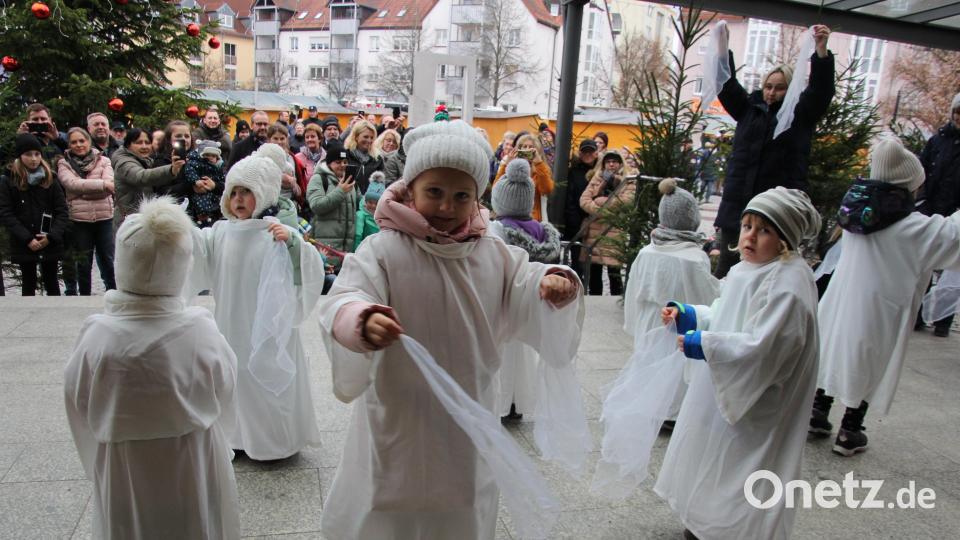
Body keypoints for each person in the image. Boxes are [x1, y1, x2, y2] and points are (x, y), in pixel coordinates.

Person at [317, 119, 582, 540]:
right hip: (400, 406)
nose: (446, 207)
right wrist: (362, 319)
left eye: (461, 196)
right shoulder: (385, 249)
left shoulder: (493, 252)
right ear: (410, 189)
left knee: (463, 497)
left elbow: (523, 283)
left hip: (470, 405)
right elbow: (345, 296)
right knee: (392, 494)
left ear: (477, 198)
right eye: (434, 193)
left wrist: (551, 283)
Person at [64, 197, 240, 539]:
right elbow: (225, 388)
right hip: (192, 458)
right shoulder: (199, 330)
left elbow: (77, 400)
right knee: (194, 524)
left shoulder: (98, 335)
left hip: (123, 465)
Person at [657, 187, 821, 540]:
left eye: (764, 230)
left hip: (759, 396)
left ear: (785, 240)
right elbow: (725, 314)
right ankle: (704, 519)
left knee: (742, 462)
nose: (750, 236)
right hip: (727, 382)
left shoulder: (789, 283)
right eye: (747, 226)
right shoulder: (749, 269)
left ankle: (732, 529)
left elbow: (767, 346)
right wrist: (690, 315)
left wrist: (706, 344)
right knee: (714, 452)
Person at [814, 137, 960, 456]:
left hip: (841, 304)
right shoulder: (910, 227)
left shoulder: (856, 214)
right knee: (870, 361)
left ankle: (818, 409)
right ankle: (849, 431)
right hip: (882, 309)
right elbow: (952, 238)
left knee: (834, 349)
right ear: (907, 186)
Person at [188, 155, 325, 461]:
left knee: (265, 376)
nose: (239, 199)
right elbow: (197, 251)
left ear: (262, 194)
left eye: (247, 192)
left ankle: (274, 441)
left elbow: (307, 268)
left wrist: (291, 243)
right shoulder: (220, 232)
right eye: (234, 192)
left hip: (267, 325)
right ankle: (236, 435)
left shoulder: (273, 231)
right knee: (235, 375)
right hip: (231, 323)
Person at [712, 24, 834, 279]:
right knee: (726, 274)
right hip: (738, 213)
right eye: (768, 86)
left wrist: (821, 53)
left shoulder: (799, 115)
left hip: (775, 217)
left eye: (779, 87)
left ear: (790, 88)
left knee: (767, 278)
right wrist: (723, 49)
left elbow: (820, 92)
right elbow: (726, 85)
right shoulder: (748, 110)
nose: (771, 92)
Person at [489, 158, 563, 421]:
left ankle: (502, 402)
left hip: (508, 301)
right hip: (534, 302)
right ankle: (519, 403)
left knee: (505, 355)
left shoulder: (498, 230)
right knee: (524, 355)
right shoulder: (543, 231)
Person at [0, 134, 69, 296]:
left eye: (37, 154)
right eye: (28, 154)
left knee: (52, 282)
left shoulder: (50, 178)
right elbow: (6, 213)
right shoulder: (9, 180)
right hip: (24, 241)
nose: (33, 159)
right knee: (28, 281)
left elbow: (62, 211)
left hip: (49, 240)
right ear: (20, 156)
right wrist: (27, 238)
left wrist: (51, 237)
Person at [917, 91, 960, 336]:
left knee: (953, 269)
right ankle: (918, 315)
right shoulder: (937, 141)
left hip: (956, 214)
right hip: (931, 209)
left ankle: (943, 319)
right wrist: (922, 201)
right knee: (924, 263)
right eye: (958, 112)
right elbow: (921, 171)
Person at [57, 127, 117, 294]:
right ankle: (84, 295)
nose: (79, 145)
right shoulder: (64, 163)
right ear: (69, 144)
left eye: (82, 141)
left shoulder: (104, 161)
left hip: (104, 217)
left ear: (88, 141)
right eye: (74, 142)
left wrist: (82, 192)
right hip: (79, 220)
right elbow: (71, 184)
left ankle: (113, 293)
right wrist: (102, 186)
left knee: (108, 260)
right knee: (84, 262)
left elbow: (110, 185)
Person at [579, 151, 635, 295]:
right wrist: (602, 211)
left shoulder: (628, 180)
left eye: (614, 161)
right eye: (608, 161)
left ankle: (616, 302)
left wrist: (598, 202)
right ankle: (594, 302)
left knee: (614, 273)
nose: (611, 164)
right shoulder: (597, 178)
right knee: (594, 273)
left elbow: (626, 201)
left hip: (614, 231)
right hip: (594, 231)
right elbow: (584, 200)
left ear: (621, 163)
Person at [112, 128, 184, 228]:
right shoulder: (124, 162)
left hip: (142, 219)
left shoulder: (146, 160)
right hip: (129, 222)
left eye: (147, 142)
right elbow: (141, 177)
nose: (144, 146)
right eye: (139, 142)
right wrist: (171, 170)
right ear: (128, 145)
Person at [306, 140, 359, 271]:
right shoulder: (319, 179)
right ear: (329, 164)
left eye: (345, 162)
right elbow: (317, 205)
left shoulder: (350, 182)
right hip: (325, 249)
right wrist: (340, 191)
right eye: (338, 162)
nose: (342, 165)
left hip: (346, 250)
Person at [493, 133, 554, 221]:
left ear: (537, 150)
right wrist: (507, 164)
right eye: (524, 147)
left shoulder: (541, 168)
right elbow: (497, 188)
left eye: (530, 147)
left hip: (533, 219)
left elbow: (546, 189)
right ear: (518, 149)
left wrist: (538, 163)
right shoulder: (511, 165)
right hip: (510, 216)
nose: (526, 150)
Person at [563, 139, 599, 280]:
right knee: (577, 262)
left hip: (596, 223)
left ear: (596, 153)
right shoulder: (573, 172)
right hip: (577, 224)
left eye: (591, 151)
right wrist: (575, 223)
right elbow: (570, 199)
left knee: (594, 265)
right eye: (585, 152)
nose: (588, 154)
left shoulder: (601, 171)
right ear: (580, 153)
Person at [183, 140, 225, 228]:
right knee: (201, 201)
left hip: (214, 197)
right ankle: (202, 218)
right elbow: (189, 172)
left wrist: (215, 185)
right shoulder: (195, 163)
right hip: (199, 192)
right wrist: (195, 181)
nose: (210, 158)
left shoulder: (218, 168)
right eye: (207, 155)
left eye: (213, 156)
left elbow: (224, 183)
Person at [265, 124, 309, 206]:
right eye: (275, 138)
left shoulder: (290, 157)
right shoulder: (264, 156)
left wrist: (295, 184)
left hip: (290, 203)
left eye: (282, 138)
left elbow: (296, 179)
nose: (279, 142)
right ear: (269, 140)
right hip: (271, 203)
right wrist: (282, 177)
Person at [344, 119, 385, 195]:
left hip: (369, 203)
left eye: (372, 137)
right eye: (366, 137)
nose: (369, 140)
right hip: (350, 201)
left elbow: (380, 185)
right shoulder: (345, 156)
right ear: (356, 136)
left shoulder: (377, 159)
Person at [354, 171, 385, 248]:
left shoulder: (384, 217)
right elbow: (358, 235)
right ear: (365, 201)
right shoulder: (361, 215)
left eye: (376, 203)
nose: (373, 206)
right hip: (364, 252)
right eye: (370, 202)